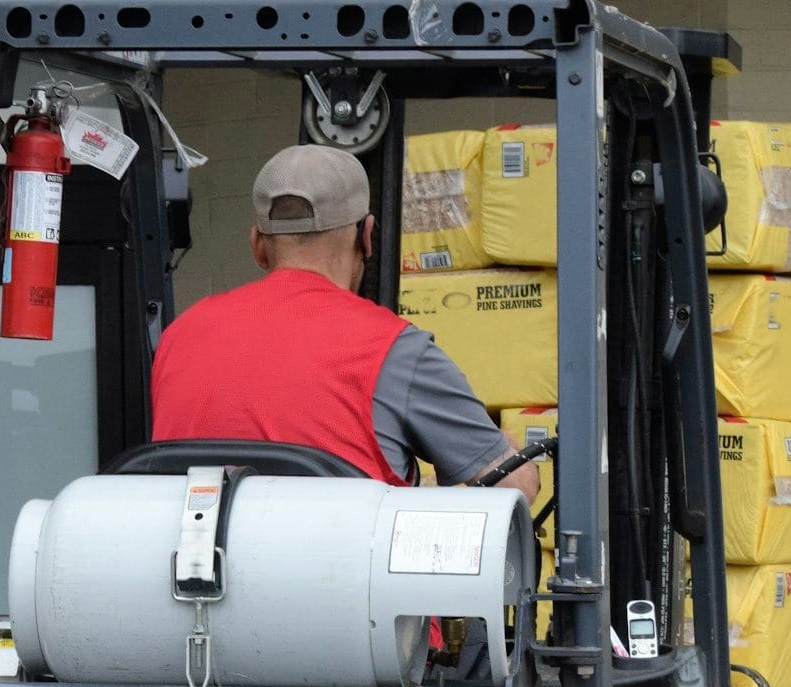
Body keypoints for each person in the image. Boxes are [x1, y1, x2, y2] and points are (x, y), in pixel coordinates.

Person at [151, 144, 540, 503]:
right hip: (335, 576)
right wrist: (505, 448)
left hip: (192, 573)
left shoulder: (178, 336)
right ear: (367, 237)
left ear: (257, 245)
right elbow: (511, 488)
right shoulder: (394, 349)